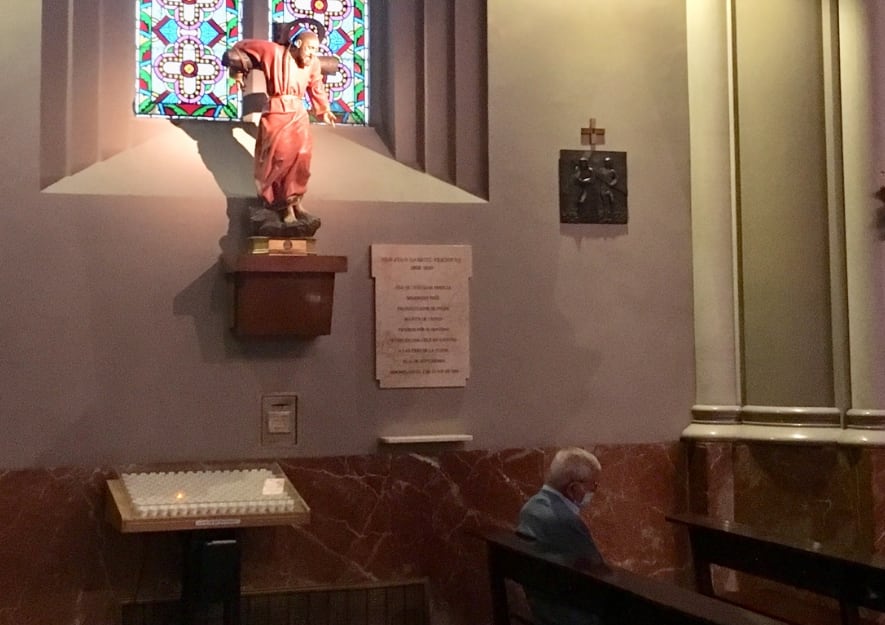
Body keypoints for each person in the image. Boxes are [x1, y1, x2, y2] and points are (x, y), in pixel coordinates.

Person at [223, 23, 337, 237]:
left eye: (316, 50)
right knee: (279, 157)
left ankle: (295, 202)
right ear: (299, 43)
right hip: (276, 110)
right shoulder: (273, 51)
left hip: (299, 113)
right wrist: (236, 72)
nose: (313, 54)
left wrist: (324, 109)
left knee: (302, 157)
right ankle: (281, 207)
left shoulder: (312, 64)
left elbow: (316, 86)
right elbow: (241, 48)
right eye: (310, 48)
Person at [516, 447, 605, 625]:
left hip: (542, 602)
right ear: (573, 488)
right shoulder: (563, 521)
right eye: (593, 485)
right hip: (565, 613)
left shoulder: (531, 507)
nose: (595, 490)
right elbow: (599, 577)